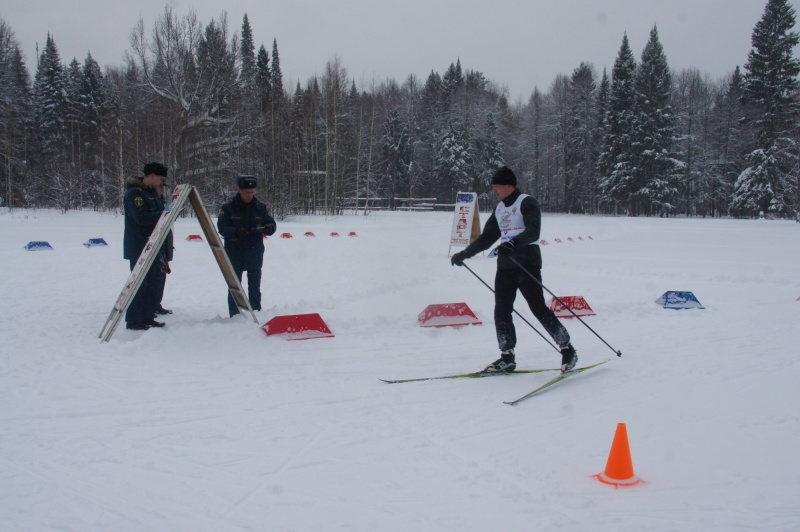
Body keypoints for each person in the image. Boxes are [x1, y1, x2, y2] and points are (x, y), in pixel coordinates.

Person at [450, 166, 577, 373]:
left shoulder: (526, 202)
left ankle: (567, 349)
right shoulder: (500, 209)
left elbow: (533, 231)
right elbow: (487, 238)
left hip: (527, 263)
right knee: (501, 311)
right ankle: (507, 356)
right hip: (506, 266)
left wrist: (513, 243)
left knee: (538, 308)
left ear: (508, 185)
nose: (494, 191)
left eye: (496, 187)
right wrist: (465, 254)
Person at [217, 175, 277, 317]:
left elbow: (271, 222)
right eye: (247, 192)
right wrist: (236, 231)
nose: (250, 195)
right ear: (239, 190)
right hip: (234, 251)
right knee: (234, 285)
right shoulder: (228, 208)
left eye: (252, 192)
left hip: (254, 251)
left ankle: (256, 312)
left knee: (254, 285)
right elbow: (222, 228)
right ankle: (235, 314)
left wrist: (270, 227)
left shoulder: (260, 208)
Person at [123, 161, 170, 330]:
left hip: (153, 244)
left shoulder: (152, 194)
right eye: (160, 179)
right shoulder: (135, 194)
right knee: (139, 284)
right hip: (139, 244)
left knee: (152, 282)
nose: (161, 183)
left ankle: (148, 316)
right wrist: (165, 215)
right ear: (152, 176)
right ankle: (134, 319)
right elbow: (141, 218)